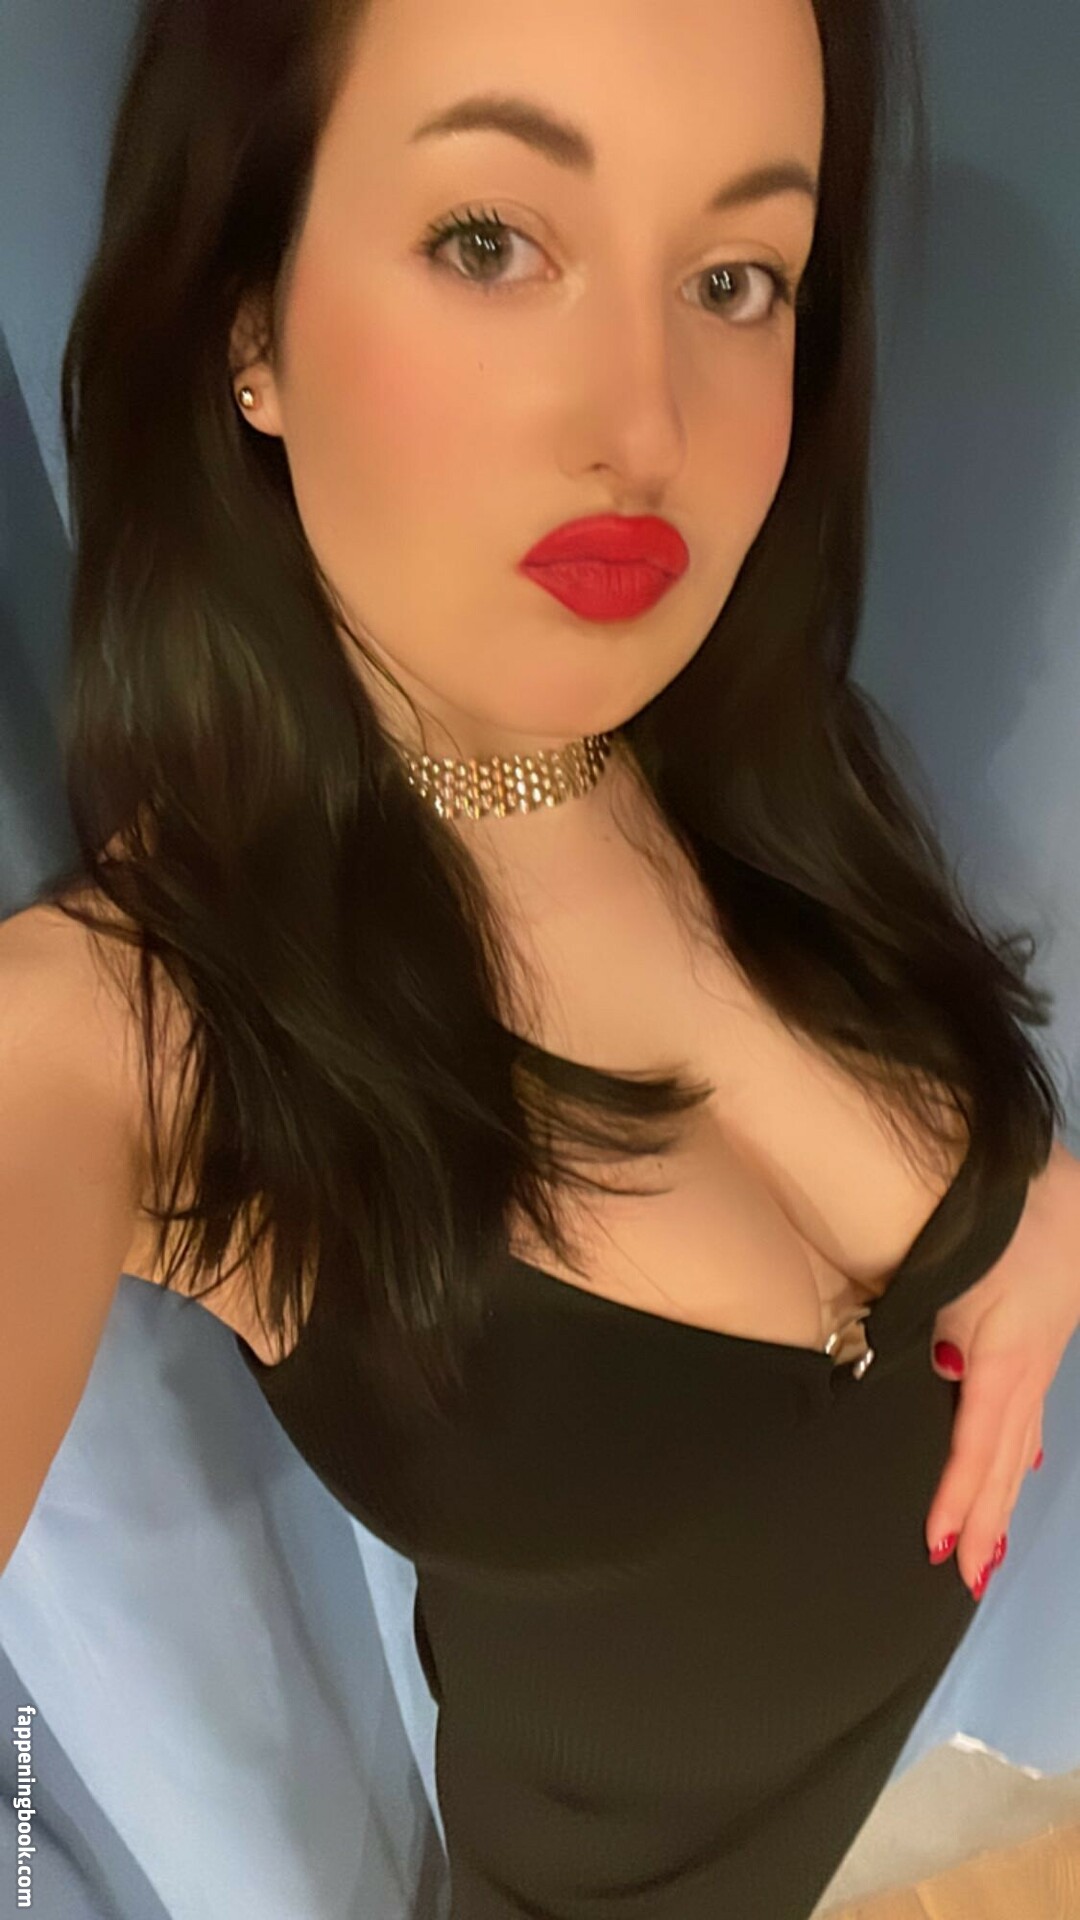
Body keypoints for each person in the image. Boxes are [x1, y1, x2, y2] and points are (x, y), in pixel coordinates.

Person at [0, 0, 1064, 1913]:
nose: (648, 430)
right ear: (248, 326)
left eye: (735, 278)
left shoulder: (763, 773)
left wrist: (1037, 1204)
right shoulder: (129, 1028)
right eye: (490, 242)